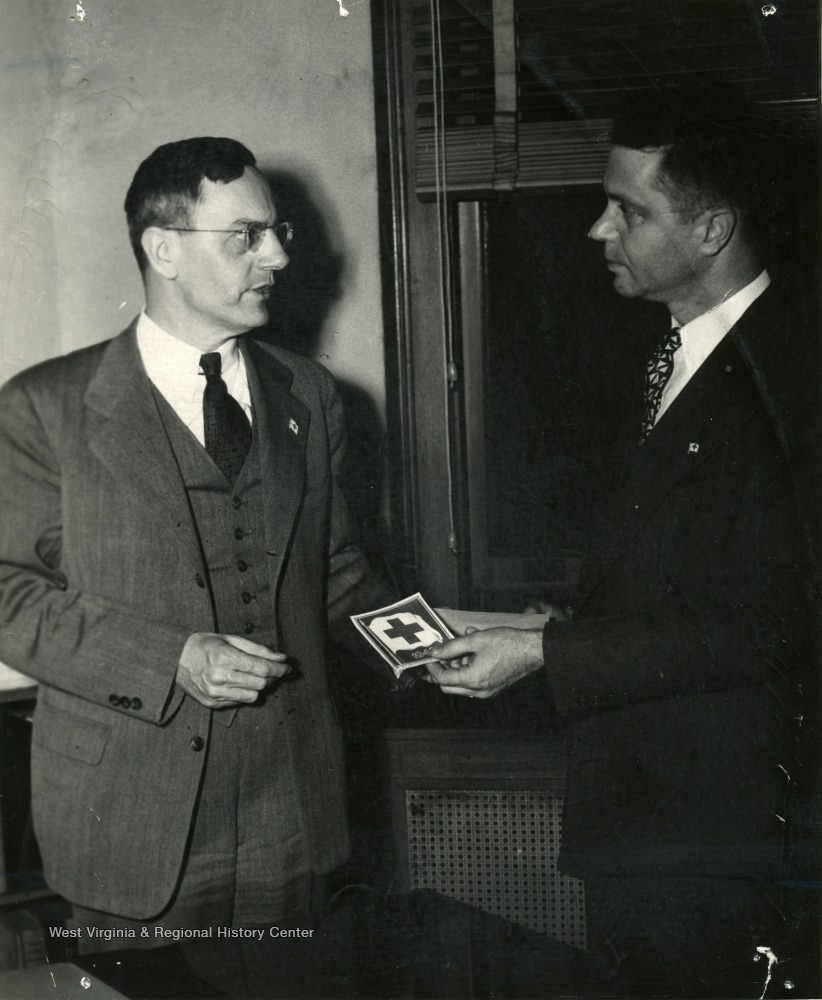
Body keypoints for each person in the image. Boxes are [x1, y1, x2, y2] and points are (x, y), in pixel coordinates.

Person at [428, 85, 819, 997]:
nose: (598, 229)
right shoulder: (665, 355)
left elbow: (767, 624)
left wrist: (543, 653)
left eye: (629, 211)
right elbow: (678, 573)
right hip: (647, 814)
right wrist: (540, 624)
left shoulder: (796, 378)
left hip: (722, 837)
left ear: (712, 231)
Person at [0, 137, 395, 939]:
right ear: (164, 250)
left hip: (291, 810)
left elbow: (335, 570)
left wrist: (426, 644)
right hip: (128, 819)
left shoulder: (311, 393)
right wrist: (170, 659)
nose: (278, 256)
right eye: (246, 235)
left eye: (278, 231)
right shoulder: (47, 406)